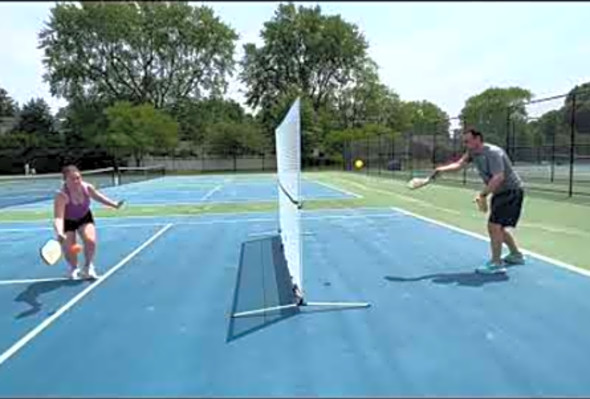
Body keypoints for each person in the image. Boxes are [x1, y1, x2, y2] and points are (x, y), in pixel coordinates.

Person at [433, 128, 526, 274]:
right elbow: (459, 165)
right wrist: (441, 170)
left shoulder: (493, 153)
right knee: (498, 227)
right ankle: (516, 255)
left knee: (493, 226)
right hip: (500, 192)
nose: (465, 144)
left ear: (478, 139)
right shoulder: (472, 152)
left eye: (468, 141)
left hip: (511, 191)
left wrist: (482, 195)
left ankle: (496, 263)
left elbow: (498, 177)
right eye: (464, 142)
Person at [53, 165, 124, 280]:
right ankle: (74, 268)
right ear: (65, 180)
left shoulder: (87, 188)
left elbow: (98, 197)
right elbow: (58, 217)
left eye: (78, 178)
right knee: (69, 248)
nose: (76, 181)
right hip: (68, 221)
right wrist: (60, 232)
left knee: (90, 240)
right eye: (72, 179)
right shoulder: (61, 195)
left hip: (84, 217)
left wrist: (114, 204)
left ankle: (88, 267)